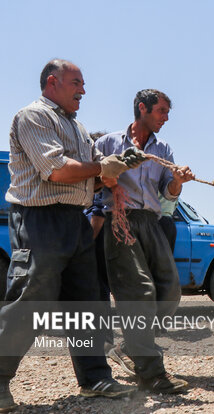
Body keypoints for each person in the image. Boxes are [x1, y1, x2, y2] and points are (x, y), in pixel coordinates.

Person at [0, 59, 143, 412]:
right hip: (39, 219)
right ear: (52, 82)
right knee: (32, 299)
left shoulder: (77, 127)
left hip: (74, 219)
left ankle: (95, 377)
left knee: (87, 299)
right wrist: (101, 168)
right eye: (76, 82)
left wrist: (118, 166)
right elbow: (56, 171)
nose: (83, 89)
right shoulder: (33, 116)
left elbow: (93, 176)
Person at [95, 89, 194, 394]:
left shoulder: (163, 148)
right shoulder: (107, 143)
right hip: (119, 221)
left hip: (151, 222)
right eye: (161, 111)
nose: (165, 117)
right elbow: (93, 181)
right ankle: (152, 374)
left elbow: (168, 194)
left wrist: (178, 180)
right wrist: (112, 172)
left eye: (167, 112)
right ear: (142, 108)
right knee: (139, 292)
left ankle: (132, 345)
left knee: (169, 291)